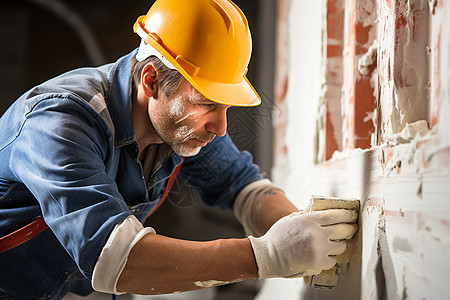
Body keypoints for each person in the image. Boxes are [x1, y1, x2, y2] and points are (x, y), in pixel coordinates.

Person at [0, 0, 358, 299]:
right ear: (151, 81)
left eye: (226, 106)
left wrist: (302, 237)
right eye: (207, 105)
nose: (220, 127)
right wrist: (266, 256)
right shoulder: (59, 123)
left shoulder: (178, 122)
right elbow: (116, 258)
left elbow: (243, 187)